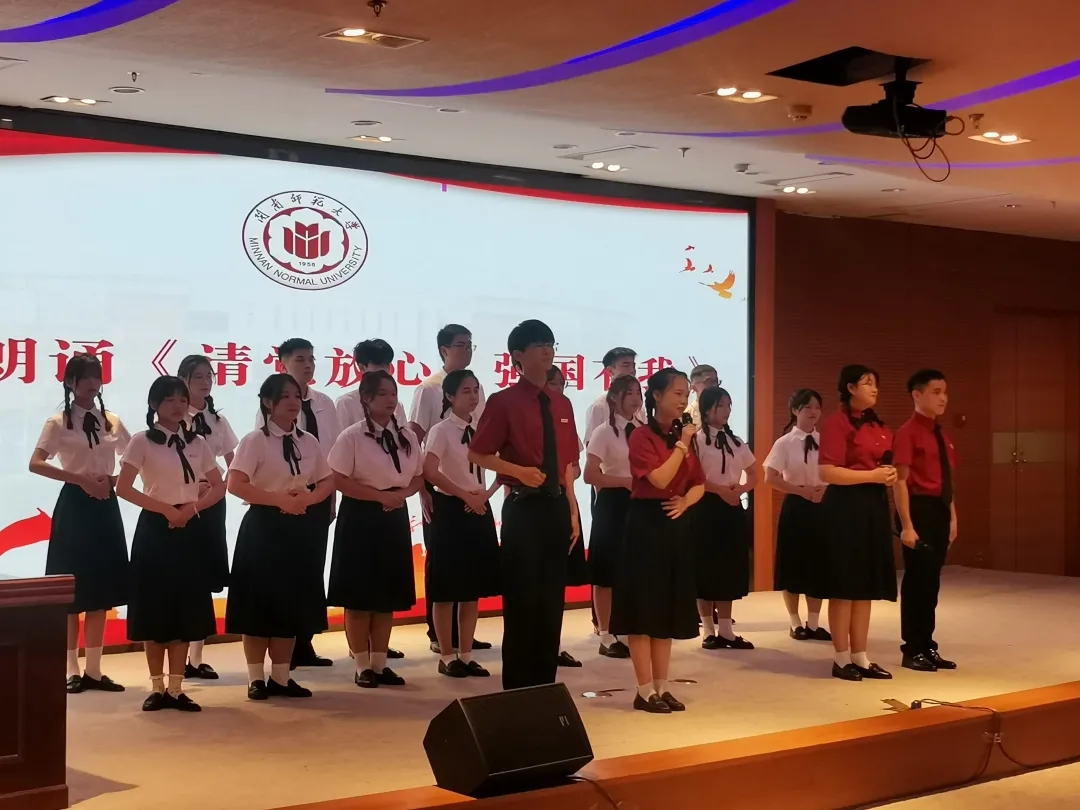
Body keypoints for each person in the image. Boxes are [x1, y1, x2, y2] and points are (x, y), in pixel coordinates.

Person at [469, 319, 581, 691]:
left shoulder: (562, 403)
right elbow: (478, 453)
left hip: (556, 508)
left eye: (550, 343)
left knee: (551, 603)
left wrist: (573, 510)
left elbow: (567, 464)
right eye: (538, 345)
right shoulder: (504, 402)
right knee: (522, 601)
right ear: (518, 355)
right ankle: (518, 692)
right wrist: (518, 471)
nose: (547, 350)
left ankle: (545, 688)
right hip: (523, 508)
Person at [117, 376, 225, 712]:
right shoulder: (141, 441)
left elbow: (219, 485)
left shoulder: (198, 442)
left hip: (190, 526)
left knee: (184, 606)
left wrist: (192, 508)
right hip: (155, 527)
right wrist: (165, 509)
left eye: (182, 399)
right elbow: (123, 487)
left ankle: (177, 688)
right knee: (155, 606)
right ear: (154, 405)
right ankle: (156, 686)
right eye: (170, 400)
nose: (177, 406)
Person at [226, 373, 336, 700]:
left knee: (291, 602)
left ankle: (281, 677)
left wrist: (309, 500)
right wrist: (279, 500)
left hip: (299, 527)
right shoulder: (254, 440)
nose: (293, 402)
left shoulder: (308, 441)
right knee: (259, 605)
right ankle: (255, 678)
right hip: (263, 527)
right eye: (285, 396)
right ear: (267, 402)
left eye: (296, 396)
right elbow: (236, 484)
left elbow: (327, 480)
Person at [29, 353, 131, 694]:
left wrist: (113, 480)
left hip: (105, 504)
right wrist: (80, 480)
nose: (92, 383)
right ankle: (71, 669)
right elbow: (36, 463)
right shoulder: (58, 422)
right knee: (73, 591)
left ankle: (95, 670)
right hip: (74, 504)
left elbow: (136, 456)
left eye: (96, 376)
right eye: (84, 377)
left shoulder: (111, 421)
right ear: (70, 383)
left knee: (101, 590)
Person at [610, 367, 703, 714]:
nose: (683, 400)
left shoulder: (681, 436)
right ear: (657, 396)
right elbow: (660, 478)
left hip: (675, 524)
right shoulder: (641, 436)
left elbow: (699, 483)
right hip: (645, 526)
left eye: (686, 394)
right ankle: (644, 689)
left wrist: (686, 502)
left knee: (665, 608)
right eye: (677, 393)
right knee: (643, 609)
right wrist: (682, 445)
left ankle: (662, 686)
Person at [327, 370, 423, 688]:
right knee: (359, 595)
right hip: (360, 515)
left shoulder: (406, 436)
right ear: (366, 399)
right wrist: (379, 496)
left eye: (393, 393)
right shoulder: (352, 436)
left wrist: (401, 495)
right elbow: (337, 478)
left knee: (386, 594)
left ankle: (380, 664)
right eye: (382, 394)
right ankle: (361, 665)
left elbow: (419, 475)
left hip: (394, 513)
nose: (390, 399)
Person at [407, 324, 491, 656]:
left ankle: (464, 639)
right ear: (444, 350)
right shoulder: (429, 389)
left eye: (470, 345)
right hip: (441, 486)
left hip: (475, 491)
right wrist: (422, 488)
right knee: (443, 568)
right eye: (460, 345)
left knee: (471, 574)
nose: (466, 350)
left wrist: (486, 492)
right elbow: (415, 438)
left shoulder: (477, 392)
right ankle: (440, 637)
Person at [257, 338, 339, 669]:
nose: (308, 365)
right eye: (301, 359)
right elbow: (267, 453)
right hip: (284, 499)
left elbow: (332, 452)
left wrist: (329, 495)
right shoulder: (270, 407)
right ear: (283, 364)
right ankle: (282, 649)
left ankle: (304, 642)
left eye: (312, 359)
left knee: (310, 569)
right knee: (284, 573)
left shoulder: (324, 402)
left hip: (318, 493)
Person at [813, 365, 896, 682]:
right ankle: (840, 658)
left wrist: (888, 474)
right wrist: (871, 475)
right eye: (867, 383)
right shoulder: (836, 423)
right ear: (850, 388)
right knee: (844, 585)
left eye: (876, 384)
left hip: (873, 506)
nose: (874, 389)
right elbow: (827, 472)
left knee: (865, 586)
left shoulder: (878, 425)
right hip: (845, 508)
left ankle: (861, 656)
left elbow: (885, 462)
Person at [422, 369, 500, 678]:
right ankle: (446, 655)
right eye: (466, 391)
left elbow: (502, 466)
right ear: (450, 396)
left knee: (471, 588)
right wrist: (464, 495)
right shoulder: (441, 430)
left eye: (476, 390)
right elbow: (430, 471)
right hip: (451, 508)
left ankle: (466, 654)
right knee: (446, 587)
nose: (473, 396)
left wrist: (485, 495)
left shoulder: (483, 429)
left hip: (479, 507)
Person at [178, 354, 239, 680]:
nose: (205, 382)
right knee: (184, 575)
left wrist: (220, 486)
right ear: (183, 380)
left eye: (209, 376)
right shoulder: (174, 416)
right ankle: (178, 654)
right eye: (198, 376)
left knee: (203, 576)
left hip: (212, 503)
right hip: (181, 502)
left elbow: (235, 461)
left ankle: (197, 657)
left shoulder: (217, 420)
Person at [893, 369, 959, 673]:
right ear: (917, 395)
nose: (943, 398)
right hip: (918, 510)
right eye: (936, 392)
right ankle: (912, 648)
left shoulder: (941, 434)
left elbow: (947, 481)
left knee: (932, 582)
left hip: (939, 510)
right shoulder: (908, 432)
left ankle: (927, 645)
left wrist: (953, 517)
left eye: (944, 392)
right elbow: (900, 481)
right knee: (918, 580)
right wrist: (907, 525)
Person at [583, 374, 643, 659]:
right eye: (630, 393)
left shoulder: (644, 430)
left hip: (639, 503)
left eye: (639, 393)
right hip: (611, 503)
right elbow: (590, 475)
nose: (636, 398)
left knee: (634, 568)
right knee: (606, 570)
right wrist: (623, 482)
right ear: (614, 398)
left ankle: (629, 625)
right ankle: (606, 633)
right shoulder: (603, 432)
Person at [763, 389, 831, 641]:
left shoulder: (826, 440)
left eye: (817, 407)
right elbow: (770, 477)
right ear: (795, 411)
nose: (814, 412)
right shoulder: (785, 442)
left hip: (822, 504)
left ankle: (813, 623)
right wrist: (802, 491)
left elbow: (835, 471)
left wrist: (824, 489)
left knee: (818, 564)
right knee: (792, 563)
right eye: (807, 407)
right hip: (796, 505)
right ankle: (795, 622)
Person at [695, 387, 757, 650]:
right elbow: (693, 477)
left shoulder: (736, 441)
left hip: (732, 506)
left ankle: (727, 631)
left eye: (729, 405)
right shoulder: (696, 440)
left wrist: (740, 490)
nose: (727, 410)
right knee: (706, 566)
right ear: (706, 409)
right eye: (721, 405)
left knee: (728, 566)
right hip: (705, 506)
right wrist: (720, 490)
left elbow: (754, 473)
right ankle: (708, 630)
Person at [336, 339, 407, 430]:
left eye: (386, 364)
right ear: (362, 368)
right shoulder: (346, 403)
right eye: (377, 365)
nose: (382, 370)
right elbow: (339, 437)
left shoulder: (397, 406)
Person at [582, 347, 643, 441]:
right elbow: (591, 443)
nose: (632, 370)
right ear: (610, 371)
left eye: (633, 366)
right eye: (626, 366)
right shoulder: (599, 407)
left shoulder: (639, 407)